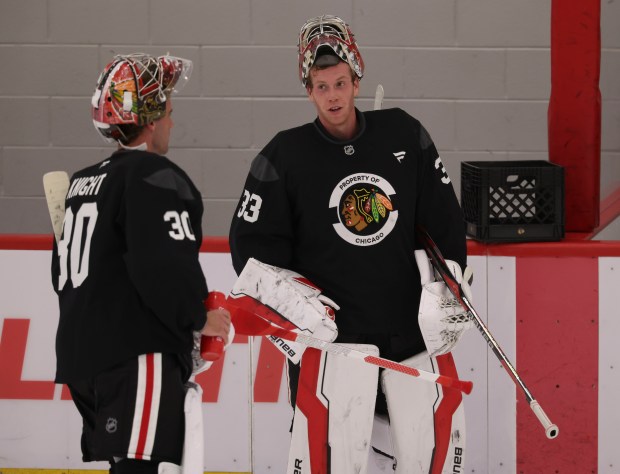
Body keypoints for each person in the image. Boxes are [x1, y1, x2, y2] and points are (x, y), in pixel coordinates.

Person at [229, 15, 473, 474]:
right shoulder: (284, 155)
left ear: (357, 81)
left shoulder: (404, 133)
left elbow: (444, 221)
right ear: (308, 91)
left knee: (424, 458)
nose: (333, 96)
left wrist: (451, 283)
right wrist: (295, 313)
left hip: (408, 336)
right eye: (321, 87)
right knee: (333, 463)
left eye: (340, 83)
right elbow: (252, 249)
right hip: (334, 345)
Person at [51, 53, 231, 474]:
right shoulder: (154, 175)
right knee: (140, 467)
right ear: (150, 120)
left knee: (129, 465)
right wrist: (198, 317)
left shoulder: (82, 183)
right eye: (167, 112)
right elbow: (162, 263)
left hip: (82, 359)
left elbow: (61, 274)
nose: (171, 122)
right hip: (136, 354)